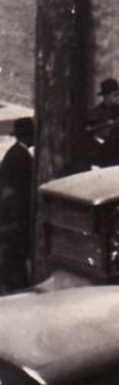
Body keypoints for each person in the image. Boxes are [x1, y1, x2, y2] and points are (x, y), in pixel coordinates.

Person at [0, 116, 35, 292]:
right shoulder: (20, 157)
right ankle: (15, 285)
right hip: (15, 213)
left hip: (12, 213)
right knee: (15, 252)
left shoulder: (16, 153)